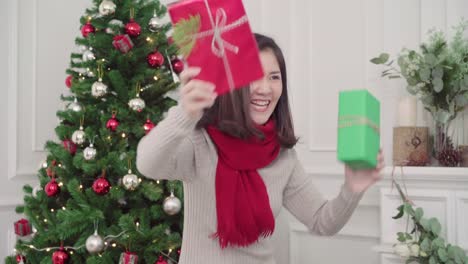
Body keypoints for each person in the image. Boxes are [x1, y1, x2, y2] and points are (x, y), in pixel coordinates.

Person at [136, 33, 385, 264]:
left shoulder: (283, 156)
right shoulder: (200, 141)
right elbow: (147, 164)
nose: (265, 88)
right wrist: (185, 114)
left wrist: (352, 189)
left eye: (274, 77)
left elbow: (323, 222)